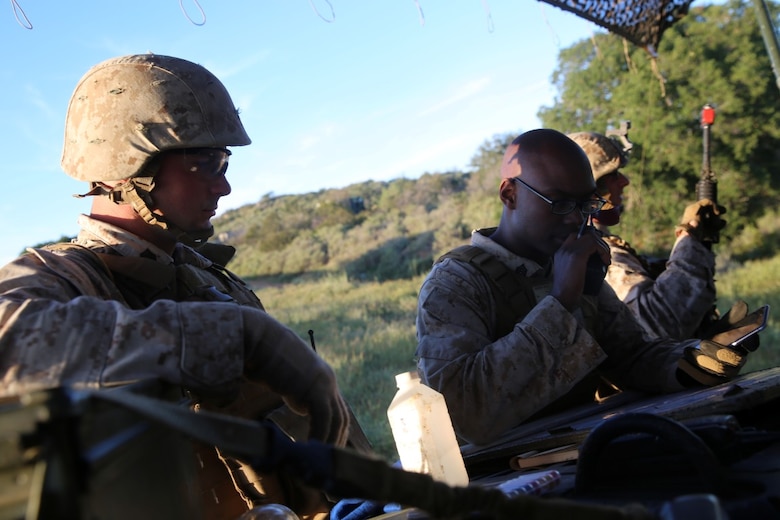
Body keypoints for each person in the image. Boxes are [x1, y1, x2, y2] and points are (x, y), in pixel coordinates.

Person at [0, 54, 350, 519]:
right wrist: (233, 337)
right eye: (205, 163)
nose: (223, 186)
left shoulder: (202, 272)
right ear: (130, 170)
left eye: (224, 162)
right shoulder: (66, 278)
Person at [414, 129, 761, 446]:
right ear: (510, 194)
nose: (575, 219)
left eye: (585, 205)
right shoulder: (456, 283)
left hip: (582, 448)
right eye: (561, 204)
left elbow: (629, 355)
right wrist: (562, 300)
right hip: (506, 477)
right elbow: (462, 412)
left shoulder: (566, 260)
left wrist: (687, 363)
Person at [568, 130, 726, 340]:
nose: (624, 181)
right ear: (591, 185)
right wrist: (690, 239)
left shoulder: (593, 243)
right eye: (614, 174)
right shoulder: (592, 255)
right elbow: (658, 325)